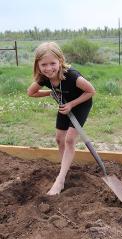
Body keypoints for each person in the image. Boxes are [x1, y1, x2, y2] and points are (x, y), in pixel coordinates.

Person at [27, 42, 96, 195]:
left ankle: (60, 179)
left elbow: (91, 91)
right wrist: (51, 92)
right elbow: (31, 92)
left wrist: (72, 104)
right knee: (59, 139)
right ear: (38, 64)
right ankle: (65, 168)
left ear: (60, 61)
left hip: (80, 103)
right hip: (64, 103)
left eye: (53, 63)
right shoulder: (44, 77)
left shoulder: (72, 76)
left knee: (69, 140)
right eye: (44, 64)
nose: (49, 68)